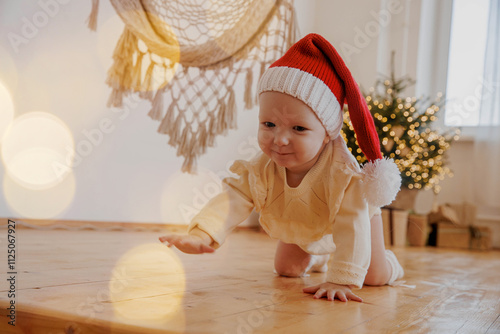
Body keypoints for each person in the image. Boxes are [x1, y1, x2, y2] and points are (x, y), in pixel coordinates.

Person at [160, 33, 404, 302]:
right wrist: (203, 234)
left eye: (299, 128)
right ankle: (319, 255)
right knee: (286, 269)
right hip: (300, 215)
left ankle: (388, 263)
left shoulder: (344, 176)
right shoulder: (262, 167)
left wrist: (340, 280)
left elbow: (351, 228)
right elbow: (234, 198)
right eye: (268, 125)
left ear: (327, 133)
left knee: (373, 276)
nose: (279, 139)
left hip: (357, 218)